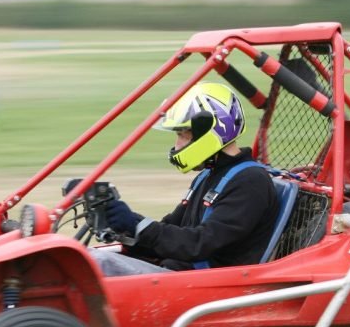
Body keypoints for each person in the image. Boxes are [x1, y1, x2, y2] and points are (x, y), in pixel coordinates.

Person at [90, 82, 281, 276]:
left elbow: (198, 245)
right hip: (179, 275)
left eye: (183, 135)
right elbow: (171, 233)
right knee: (87, 257)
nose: (177, 145)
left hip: (207, 285)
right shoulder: (208, 175)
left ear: (212, 130)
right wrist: (126, 227)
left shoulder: (250, 182)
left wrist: (137, 224)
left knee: (98, 265)